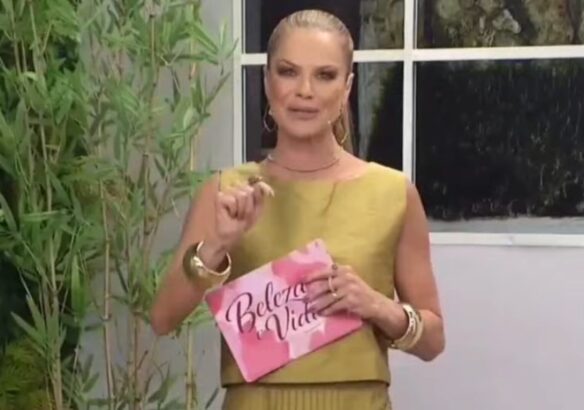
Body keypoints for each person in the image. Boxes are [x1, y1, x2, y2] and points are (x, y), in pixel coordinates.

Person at [150, 9, 445, 410]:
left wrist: (378, 306)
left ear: (347, 86)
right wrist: (216, 245)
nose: (305, 90)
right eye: (288, 72)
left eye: (325, 75)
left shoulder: (393, 192)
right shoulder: (226, 192)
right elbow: (162, 318)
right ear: (267, 80)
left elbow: (433, 341)